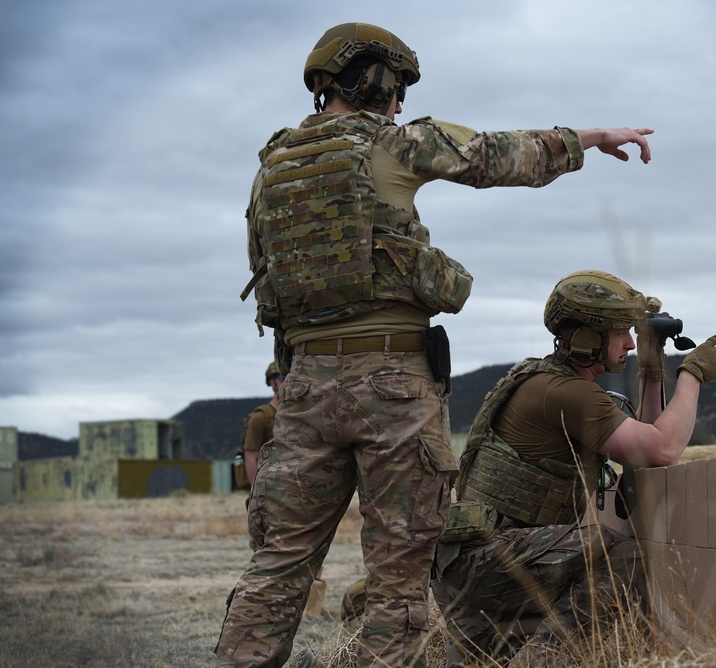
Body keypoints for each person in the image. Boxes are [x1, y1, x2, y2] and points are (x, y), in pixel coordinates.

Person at [215, 21, 655, 668]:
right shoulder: (393, 145)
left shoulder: (271, 169)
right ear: (377, 78)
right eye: (396, 87)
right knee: (398, 573)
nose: (397, 101)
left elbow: (272, 287)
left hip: (303, 386)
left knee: (278, 567)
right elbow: (496, 154)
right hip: (390, 384)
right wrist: (587, 138)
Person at [431, 270, 716, 666]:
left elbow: (642, 441)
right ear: (588, 339)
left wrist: (651, 370)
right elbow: (662, 449)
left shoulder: (551, 381)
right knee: (626, 559)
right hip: (487, 564)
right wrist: (692, 375)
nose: (628, 343)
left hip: (478, 565)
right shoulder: (568, 394)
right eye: (621, 333)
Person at [235, 362, 283, 491]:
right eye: (282, 378)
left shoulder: (300, 415)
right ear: (272, 382)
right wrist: (257, 495)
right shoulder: (261, 418)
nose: (287, 383)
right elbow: (250, 458)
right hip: (270, 489)